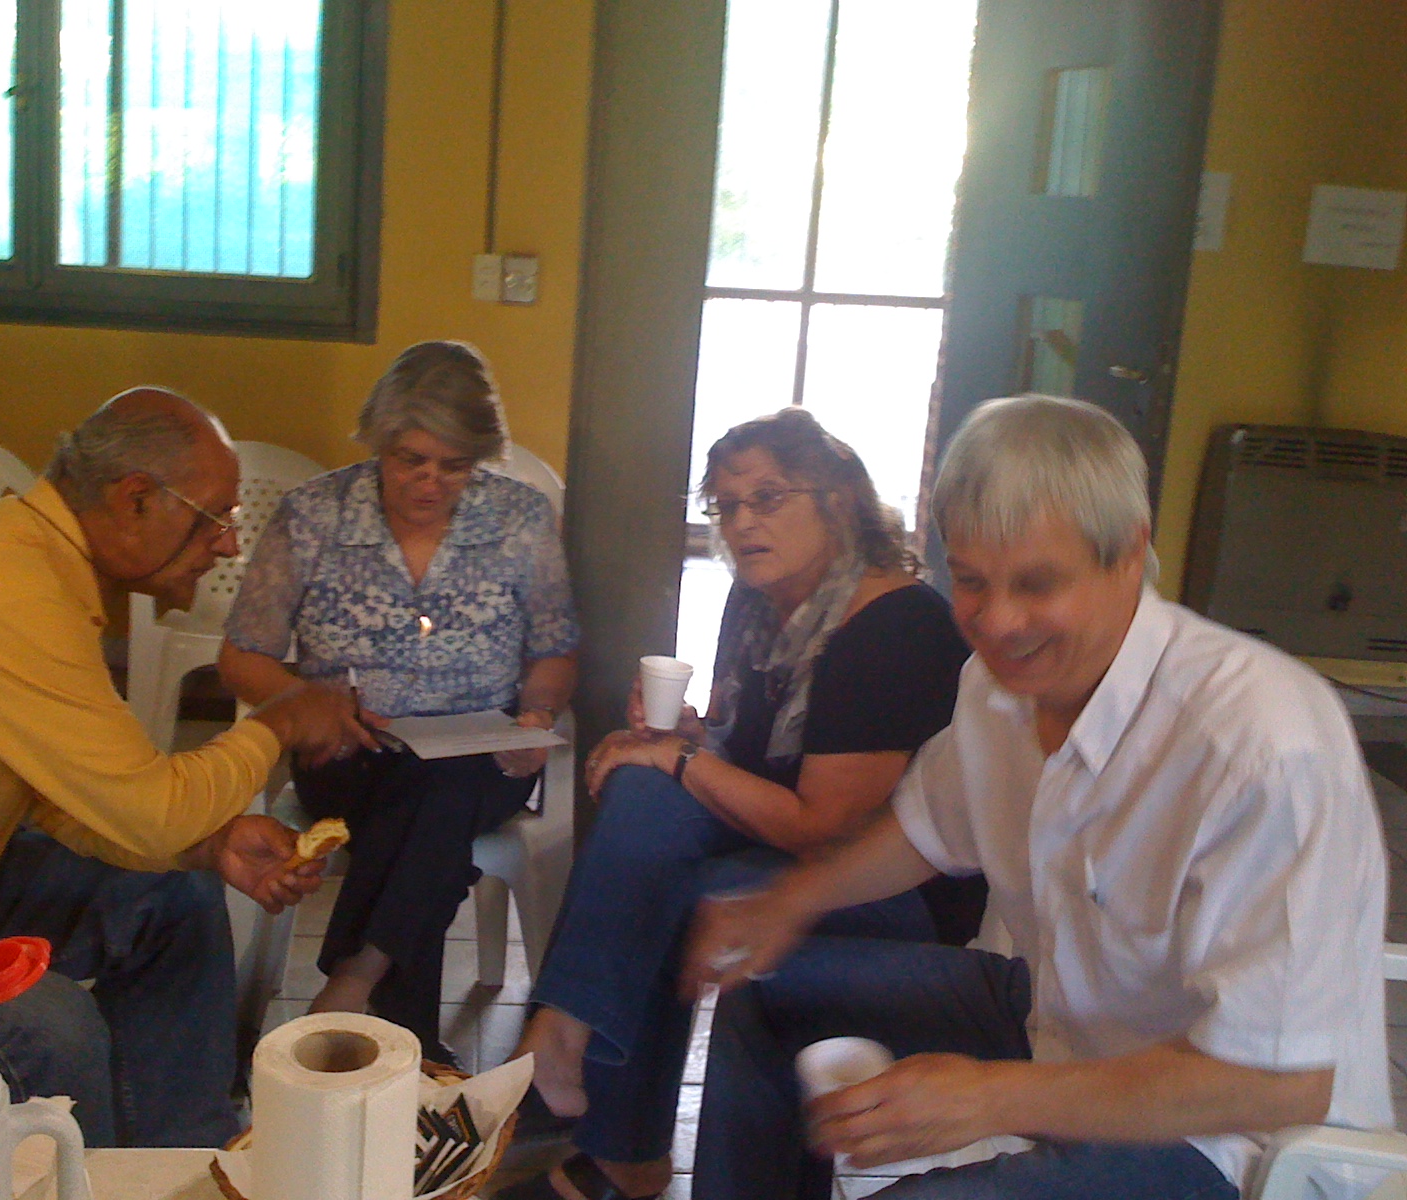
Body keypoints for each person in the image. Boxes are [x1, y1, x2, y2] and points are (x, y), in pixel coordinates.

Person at [684, 394, 1391, 1200]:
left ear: (1129, 554)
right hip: (1063, 1020)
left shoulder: (1260, 745)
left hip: (1234, 1140)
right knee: (761, 992)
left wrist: (988, 1097)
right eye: (972, 582)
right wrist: (787, 903)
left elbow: (1281, 1084)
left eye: (1037, 583)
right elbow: (923, 828)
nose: (998, 623)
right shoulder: (999, 690)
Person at [0, 388, 351, 1148]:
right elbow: (150, 810)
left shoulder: (30, 567)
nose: (228, 546)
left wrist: (207, 845)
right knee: (51, 1028)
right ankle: (93, 1180)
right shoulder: (5, 590)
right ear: (135, 498)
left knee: (175, 896)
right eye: (214, 518)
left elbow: (66, 798)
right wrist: (281, 722)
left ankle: (186, 1160)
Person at [501, 407, 979, 1200]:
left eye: (768, 498)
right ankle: (575, 1052)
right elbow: (743, 754)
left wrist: (682, 760)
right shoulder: (756, 604)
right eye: (726, 506)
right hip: (786, 842)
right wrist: (680, 738)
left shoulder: (895, 625)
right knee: (642, 791)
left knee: (687, 887)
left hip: (891, 884)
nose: (743, 522)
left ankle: (608, 1126)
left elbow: (824, 826)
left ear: (837, 501)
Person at [219, 340, 579, 1063]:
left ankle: (355, 989)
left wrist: (537, 716)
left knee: (439, 787)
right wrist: (310, 704)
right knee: (422, 799)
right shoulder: (314, 515)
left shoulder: (519, 517)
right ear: (379, 442)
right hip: (348, 753)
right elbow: (242, 656)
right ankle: (387, 1013)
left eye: (454, 465)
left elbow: (556, 649)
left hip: (484, 754)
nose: (429, 481)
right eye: (410, 459)